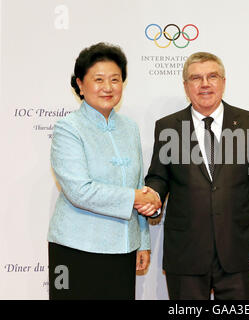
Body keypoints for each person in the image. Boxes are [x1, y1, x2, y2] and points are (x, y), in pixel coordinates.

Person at [138, 52, 249, 300]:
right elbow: (159, 177)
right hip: (186, 254)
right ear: (186, 86)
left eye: (212, 76)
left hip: (238, 251)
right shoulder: (168, 126)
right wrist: (153, 197)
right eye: (196, 78)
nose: (205, 84)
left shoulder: (248, 122)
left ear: (223, 81)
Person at [47, 42, 161, 300]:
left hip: (123, 249)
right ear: (80, 84)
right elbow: (79, 191)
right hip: (76, 249)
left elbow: (139, 183)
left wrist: (142, 242)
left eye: (115, 79)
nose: (108, 87)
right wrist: (136, 198)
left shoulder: (129, 127)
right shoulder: (68, 128)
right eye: (98, 79)